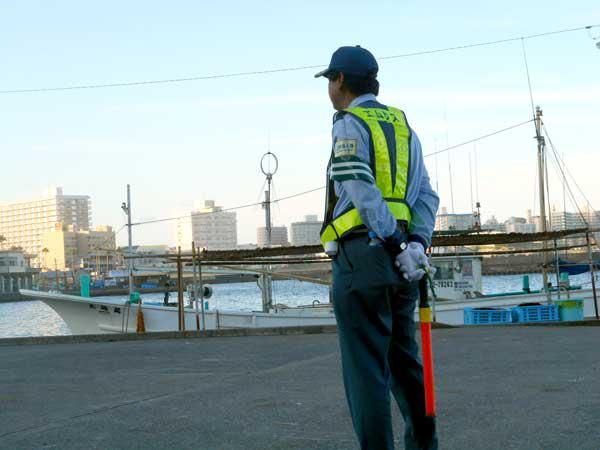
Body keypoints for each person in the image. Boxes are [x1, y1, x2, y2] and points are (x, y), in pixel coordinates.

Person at [315, 45, 439, 450]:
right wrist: (416, 243)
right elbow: (426, 196)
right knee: (405, 364)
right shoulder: (404, 127)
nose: (329, 88)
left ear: (340, 80)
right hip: (404, 267)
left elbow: (358, 185)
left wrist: (395, 240)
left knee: (366, 371)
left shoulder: (349, 123)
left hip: (362, 259)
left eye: (329, 80)